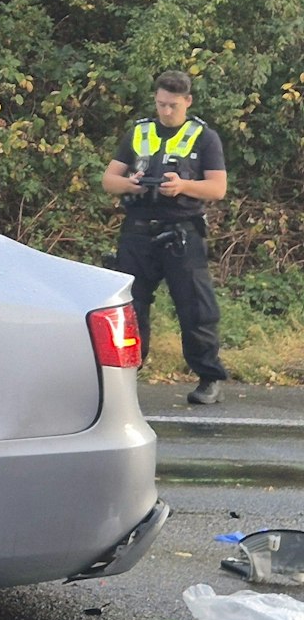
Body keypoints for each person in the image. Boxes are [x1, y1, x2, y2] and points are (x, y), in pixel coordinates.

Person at [101, 70, 229, 405]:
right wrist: (132, 183)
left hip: (181, 232)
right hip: (138, 233)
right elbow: (109, 180)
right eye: (161, 104)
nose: (166, 111)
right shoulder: (140, 131)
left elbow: (217, 188)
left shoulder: (205, 137)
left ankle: (208, 379)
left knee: (195, 308)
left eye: (172, 105)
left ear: (187, 101)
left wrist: (183, 186)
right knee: (130, 308)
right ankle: (127, 376)